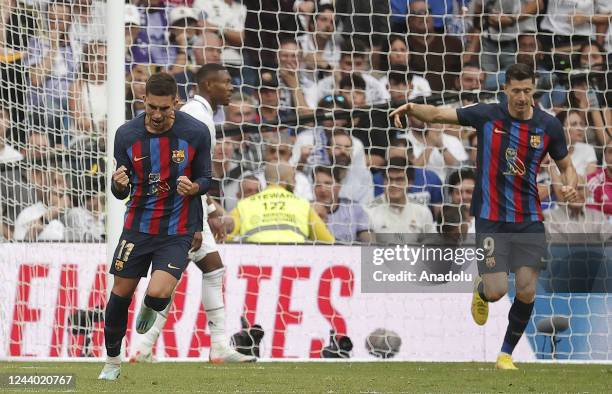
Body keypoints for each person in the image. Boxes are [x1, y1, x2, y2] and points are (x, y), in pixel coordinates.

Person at [390, 63, 579, 370]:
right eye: (516, 90)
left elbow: (566, 165)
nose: (521, 97)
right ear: (505, 89)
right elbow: (440, 115)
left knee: (527, 288)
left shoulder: (548, 126)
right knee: (496, 291)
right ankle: (481, 290)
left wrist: (570, 185)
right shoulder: (488, 115)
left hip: (529, 217)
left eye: (527, 91)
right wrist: (412, 108)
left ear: (534, 91)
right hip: (491, 218)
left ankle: (505, 354)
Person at [130, 64, 254, 364]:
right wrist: (201, 217)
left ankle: (209, 346)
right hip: (179, 211)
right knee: (173, 275)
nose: (231, 87)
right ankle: (143, 346)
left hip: (188, 206)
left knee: (212, 268)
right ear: (208, 86)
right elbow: (180, 170)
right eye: (226, 82)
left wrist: (209, 208)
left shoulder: (202, 114)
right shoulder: (198, 116)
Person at [98, 73, 212, 380]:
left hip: (177, 229)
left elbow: (206, 178)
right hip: (137, 226)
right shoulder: (126, 134)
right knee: (120, 294)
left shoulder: (196, 132)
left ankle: (152, 304)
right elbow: (121, 191)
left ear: (176, 102)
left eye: (164, 108)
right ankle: (111, 362)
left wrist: (194, 188)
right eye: (152, 108)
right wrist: (117, 185)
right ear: (144, 101)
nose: (158, 115)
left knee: (159, 293)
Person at [227, 161, 334, 244]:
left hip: (256, 264)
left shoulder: (244, 205)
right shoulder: (303, 205)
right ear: (285, 180)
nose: (295, 182)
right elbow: (327, 241)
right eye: (293, 178)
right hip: (294, 264)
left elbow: (224, 236)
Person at [312, 165, 372, 244]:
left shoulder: (353, 208)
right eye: (318, 185)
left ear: (338, 186)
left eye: (328, 183)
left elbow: (368, 239)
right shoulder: (307, 210)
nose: (322, 189)